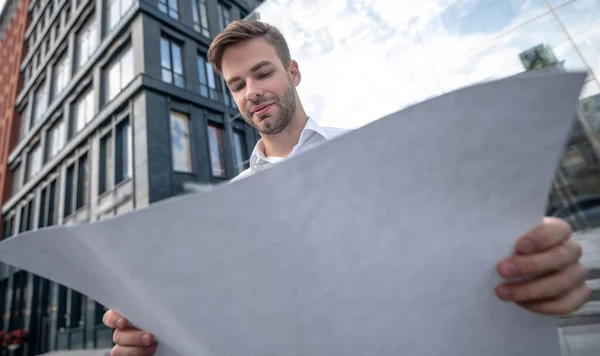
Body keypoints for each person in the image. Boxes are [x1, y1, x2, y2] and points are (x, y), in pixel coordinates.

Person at [102, 20, 591, 356]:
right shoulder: (230, 204)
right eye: (236, 84)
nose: (251, 91)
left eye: (262, 72)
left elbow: (453, 251)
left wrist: (529, 256)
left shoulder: (373, 154)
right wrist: (154, 338)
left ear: (292, 73)